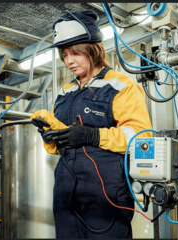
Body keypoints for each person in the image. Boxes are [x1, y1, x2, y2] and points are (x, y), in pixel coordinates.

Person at [30, 9, 153, 238]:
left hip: (105, 191)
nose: (69, 61)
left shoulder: (120, 85)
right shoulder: (66, 91)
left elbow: (140, 136)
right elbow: (65, 143)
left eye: (75, 53)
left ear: (93, 49)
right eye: (64, 55)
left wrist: (93, 136)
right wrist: (52, 138)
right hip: (65, 190)